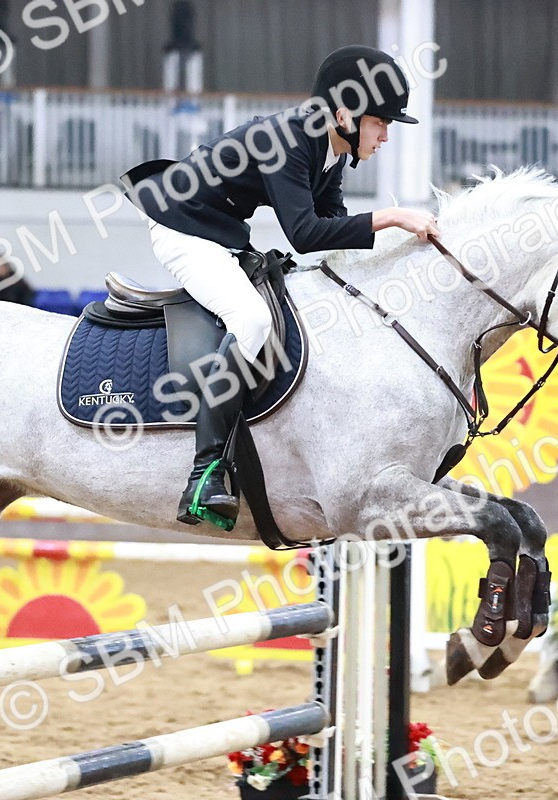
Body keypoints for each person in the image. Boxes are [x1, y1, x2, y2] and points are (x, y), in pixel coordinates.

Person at [122, 45, 439, 527]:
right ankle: (204, 473)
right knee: (250, 320)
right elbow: (306, 234)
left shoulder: (331, 150)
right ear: (346, 114)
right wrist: (393, 216)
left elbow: (335, 225)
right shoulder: (290, 138)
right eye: (382, 122)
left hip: (219, 229)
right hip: (182, 228)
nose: (387, 135)